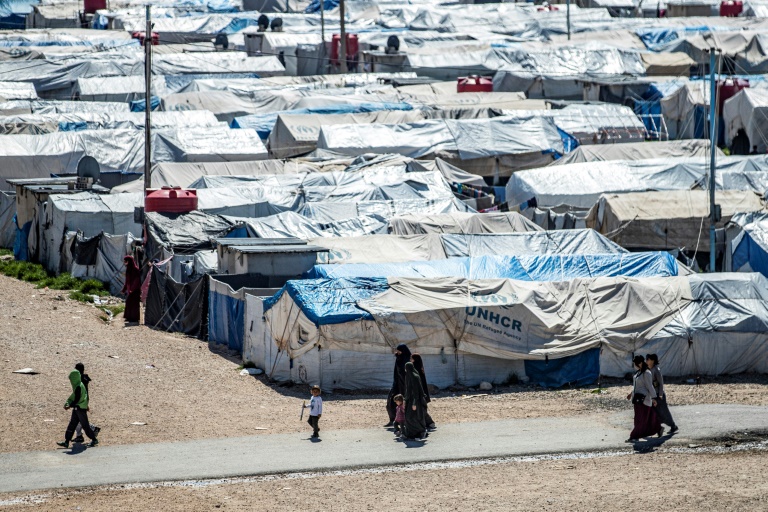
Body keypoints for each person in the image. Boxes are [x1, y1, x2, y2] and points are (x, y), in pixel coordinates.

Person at [56, 370, 98, 448]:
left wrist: (69, 405)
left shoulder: (78, 386)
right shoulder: (79, 385)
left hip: (80, 409)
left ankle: (94, 439)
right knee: (72, 425)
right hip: (78, 408)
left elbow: (77, 399)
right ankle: (66, 441)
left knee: (85, 425)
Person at [626, 355, 662, 443]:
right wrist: (631, 394)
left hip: (644, 399)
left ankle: (634, 436)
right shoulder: (638, 373)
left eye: (636, 363)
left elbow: (650, 386)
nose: (635, 365)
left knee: (641, 419)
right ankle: (658, 428)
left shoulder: (647, 373)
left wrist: (654, 398)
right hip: (637, 399)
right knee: (641, 418)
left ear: (641, 363)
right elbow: (636, 386)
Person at [646, 354, 678, 434]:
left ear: (652, 360)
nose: (646, 361)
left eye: (648, 359)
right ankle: (658, 428)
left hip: (658, 394)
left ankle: (673, 426)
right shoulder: (647, 369)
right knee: (653, 412)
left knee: (664, 412)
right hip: (652, 395)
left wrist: (660, 394)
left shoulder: (656, 370)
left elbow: (660, 383)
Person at [72, 363, 100, 443]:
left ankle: (92, 430)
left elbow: (80, 392)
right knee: (79, 419)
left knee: (81, 420)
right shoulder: (84, 378)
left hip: (80, 401)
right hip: (84, 400)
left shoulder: (80, 379)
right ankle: (79, 435)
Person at [385, 344, 411, 426]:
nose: (398, 352)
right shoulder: (399, 359)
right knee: (391, 401)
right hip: (397, 384)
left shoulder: (408, 359)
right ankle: (392, 420)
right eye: (397, 350)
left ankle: (407, 421)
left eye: (399, 351)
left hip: (405, 385)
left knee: (406, 404)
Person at [402, 361, 428, 440]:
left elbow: (416, 391)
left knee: (413, 417)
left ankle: (420, 432)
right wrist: (405, 400)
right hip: (410, 400)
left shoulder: (414, 377)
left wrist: (414, 403)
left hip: (415, 401)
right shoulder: (409, 376)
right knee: (409, 417)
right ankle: (410, 434)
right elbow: (408, 390)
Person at [411, 353, 436, 430]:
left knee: (421, 409)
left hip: (419, 393)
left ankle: (429, 423)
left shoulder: (416, 369)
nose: (411, 360)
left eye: (412, 359)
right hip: (421, 393)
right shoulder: (419, 368)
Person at [122, 255, 141, 323]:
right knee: (129, 303)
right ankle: (129, 317)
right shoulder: (128, 269)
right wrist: (124, 289)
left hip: (135, 290)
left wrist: (132, 289)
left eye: (125, 261)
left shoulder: (135, 269)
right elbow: (127, 281)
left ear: (129, 261)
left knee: (134, 304)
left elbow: (137, 280)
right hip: (130, 290)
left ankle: (134, 318)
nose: (125, 263)